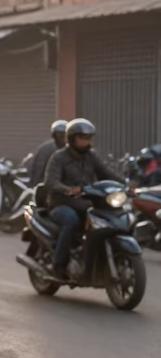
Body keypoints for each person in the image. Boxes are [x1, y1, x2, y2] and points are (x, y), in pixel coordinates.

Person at [45, 118, 120, 276]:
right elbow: (51, 182)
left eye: (89, 138)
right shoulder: (58, 158)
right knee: (71, 221)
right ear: (72, 139)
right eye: (83, 138)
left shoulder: (91, 156)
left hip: (86, 203)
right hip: (61, 204)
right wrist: (69, 190)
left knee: (110, 219)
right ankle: (58, 264)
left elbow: (106, 173)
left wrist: (126, 184)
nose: (87, 142)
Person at [28, 120, 67, 187]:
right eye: (59, 134)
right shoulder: (45, 149)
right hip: (47, 187)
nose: (62, 137)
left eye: (64, 135)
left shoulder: (75, 149)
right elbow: (38, 169)